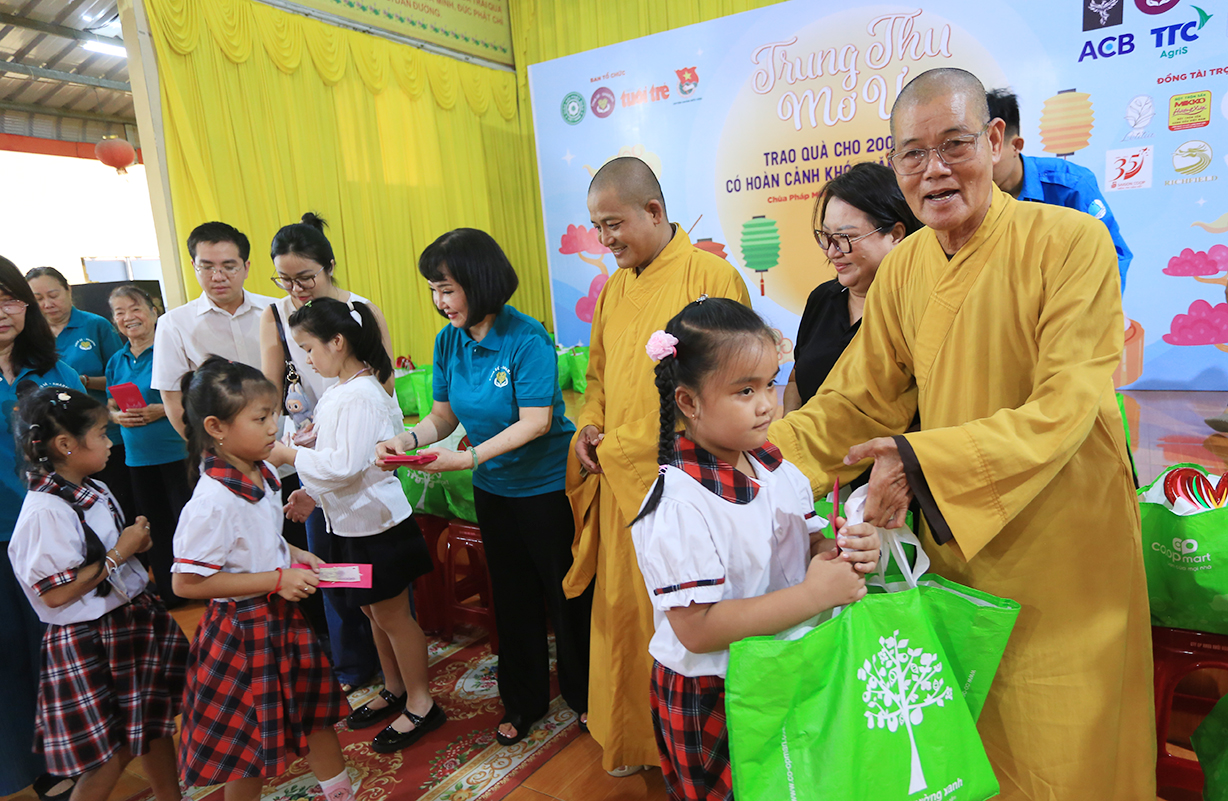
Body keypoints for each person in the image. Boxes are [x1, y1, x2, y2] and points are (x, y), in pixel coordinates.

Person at [769, 68, 1154, 799]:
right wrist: (756, 464)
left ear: (996, 140)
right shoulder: (906, 268)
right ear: (895, 166)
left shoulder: (1072, 243)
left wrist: (917, 459)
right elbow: (857, 400)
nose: (934, 170)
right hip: (961, 545)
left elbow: (1066, 405)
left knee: (1064, 755)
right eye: (913, 154)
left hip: (1063, 547)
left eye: (954, 145)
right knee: (965, 745)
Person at [630, 298, 879, 801]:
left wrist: (841, 548)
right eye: (745, 390)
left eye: (770, 383)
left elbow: (807, 544)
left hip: (787, 664)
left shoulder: (775, 466)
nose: (767, 403)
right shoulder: (677, 504)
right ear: (688, 402)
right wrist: (815, 596)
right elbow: (697, 630)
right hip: (717, 691)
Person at [568, 156, 752, 775]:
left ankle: (692, 754)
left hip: (681, 486)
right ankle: (632, 740)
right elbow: (597, 375)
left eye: (613, 224)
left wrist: (623, 446)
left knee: (682, 623)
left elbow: (725, 390)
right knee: (624, 614)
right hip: (619, 480)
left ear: (653, 210)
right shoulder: (615, 288)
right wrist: (590, 424)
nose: (605, 239)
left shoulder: (712, 277)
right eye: (598, 227)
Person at [377, 229, 592, 746]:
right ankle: (523, 701)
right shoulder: (448, 341)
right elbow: (442, 415)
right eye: (434, 290)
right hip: (494, 490)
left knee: (565, 596)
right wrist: (408, 439)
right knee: (511, 599)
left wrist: (467, 457)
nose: (440, 302)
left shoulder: (527, 337)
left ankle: (586, 696)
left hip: (546, 488)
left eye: (447, 289)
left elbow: (537, 422)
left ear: (480, 282)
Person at [171, 357, 354, 801]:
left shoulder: (263, 470)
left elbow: (256, 538)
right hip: (242, 630)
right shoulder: (211, 502)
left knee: (316, 717)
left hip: (280, 617)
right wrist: (275, 578)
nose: (275, 426)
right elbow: (187, 584)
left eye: (273, 414)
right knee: (246, 745)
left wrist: (292, 553)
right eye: (260, 418)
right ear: (216, 427)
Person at [270, 298, 443, 754]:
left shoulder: (362, 394)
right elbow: (341, 461)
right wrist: (311, 491)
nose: (307, 360)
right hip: (347, 524)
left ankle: (421, 702)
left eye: (310, 348)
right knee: (370, 611)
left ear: (337, 342)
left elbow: (346, 466)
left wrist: (290, 455)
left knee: (393, 616)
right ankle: (394, 687)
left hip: (377, 527)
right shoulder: (339, 392)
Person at [8, 385, 189, 801]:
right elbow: (56, 595)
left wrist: (134, 545)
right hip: (92, 638)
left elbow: (109, 552)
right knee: (113, 751)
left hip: (130, 621)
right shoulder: (46, 512)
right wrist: (120, 552)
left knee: (154, 723)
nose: (110, 443)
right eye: (102, 434)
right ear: (65, 445)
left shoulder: (93, 489)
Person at [260, 212, 396, 693]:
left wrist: (337, 424)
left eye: (305, 278)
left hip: (356, 451)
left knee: (376, 568)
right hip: (310, 454)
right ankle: (353, 665)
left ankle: (393, 659)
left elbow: (382, 382)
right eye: (284, 279)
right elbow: (272, 391)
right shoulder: (275, 316)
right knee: (331, 564)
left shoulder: (359, 310)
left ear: (329, 267)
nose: (296, 289)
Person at [0, 256, 84, 800]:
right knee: (8, 651)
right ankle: (22, 767)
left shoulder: (54, 371)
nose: (2, 312)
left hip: (56, 537)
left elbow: (87, 442)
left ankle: (63, 759)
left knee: (54, 649)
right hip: (1, 536)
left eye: (9, 298)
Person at [784, 163, 921, 413]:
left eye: (845, 238)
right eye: (826, 237)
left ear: (895, 235)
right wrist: (790, 426)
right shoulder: (822, 299)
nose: (832, 252)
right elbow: (796, 379)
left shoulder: (918, 306)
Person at [986, 88, 1131, 291]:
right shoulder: (969, 197)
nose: (977, 165)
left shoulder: (1072, 185)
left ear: (1016, 146)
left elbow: (1112, 257)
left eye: (989, 150)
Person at [105, 285, 190, 608]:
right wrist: (116, 416)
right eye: (120, 312)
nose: (128, 317)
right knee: (155, 526)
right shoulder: (117, 360)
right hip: (137, 458)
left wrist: (161, 409)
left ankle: (202, 586)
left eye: (135, 308)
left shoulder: (172, 350)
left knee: (187, 522)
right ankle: (171, 593)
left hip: (178, 453)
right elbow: (111, 402)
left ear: (154, 312)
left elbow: (193, 396)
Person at [151, 222, 277, 440]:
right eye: (207, 267)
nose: (218, 276)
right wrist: (205, 448)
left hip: (285, 438)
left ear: (246, 268)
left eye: (229, 266)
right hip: (221, 444)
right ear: (194, 266)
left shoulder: (277, 311)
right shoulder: (173, 324)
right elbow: (172, 397)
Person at [26, 267, 132, 522]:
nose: (48, 304)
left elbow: (121, 378)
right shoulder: (30, 336)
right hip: (57, 445)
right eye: (38, 299)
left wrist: (82, 381)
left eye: (53, 295)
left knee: (116, 506)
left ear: (68, 291)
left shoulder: (95, 325)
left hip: (103, 436)